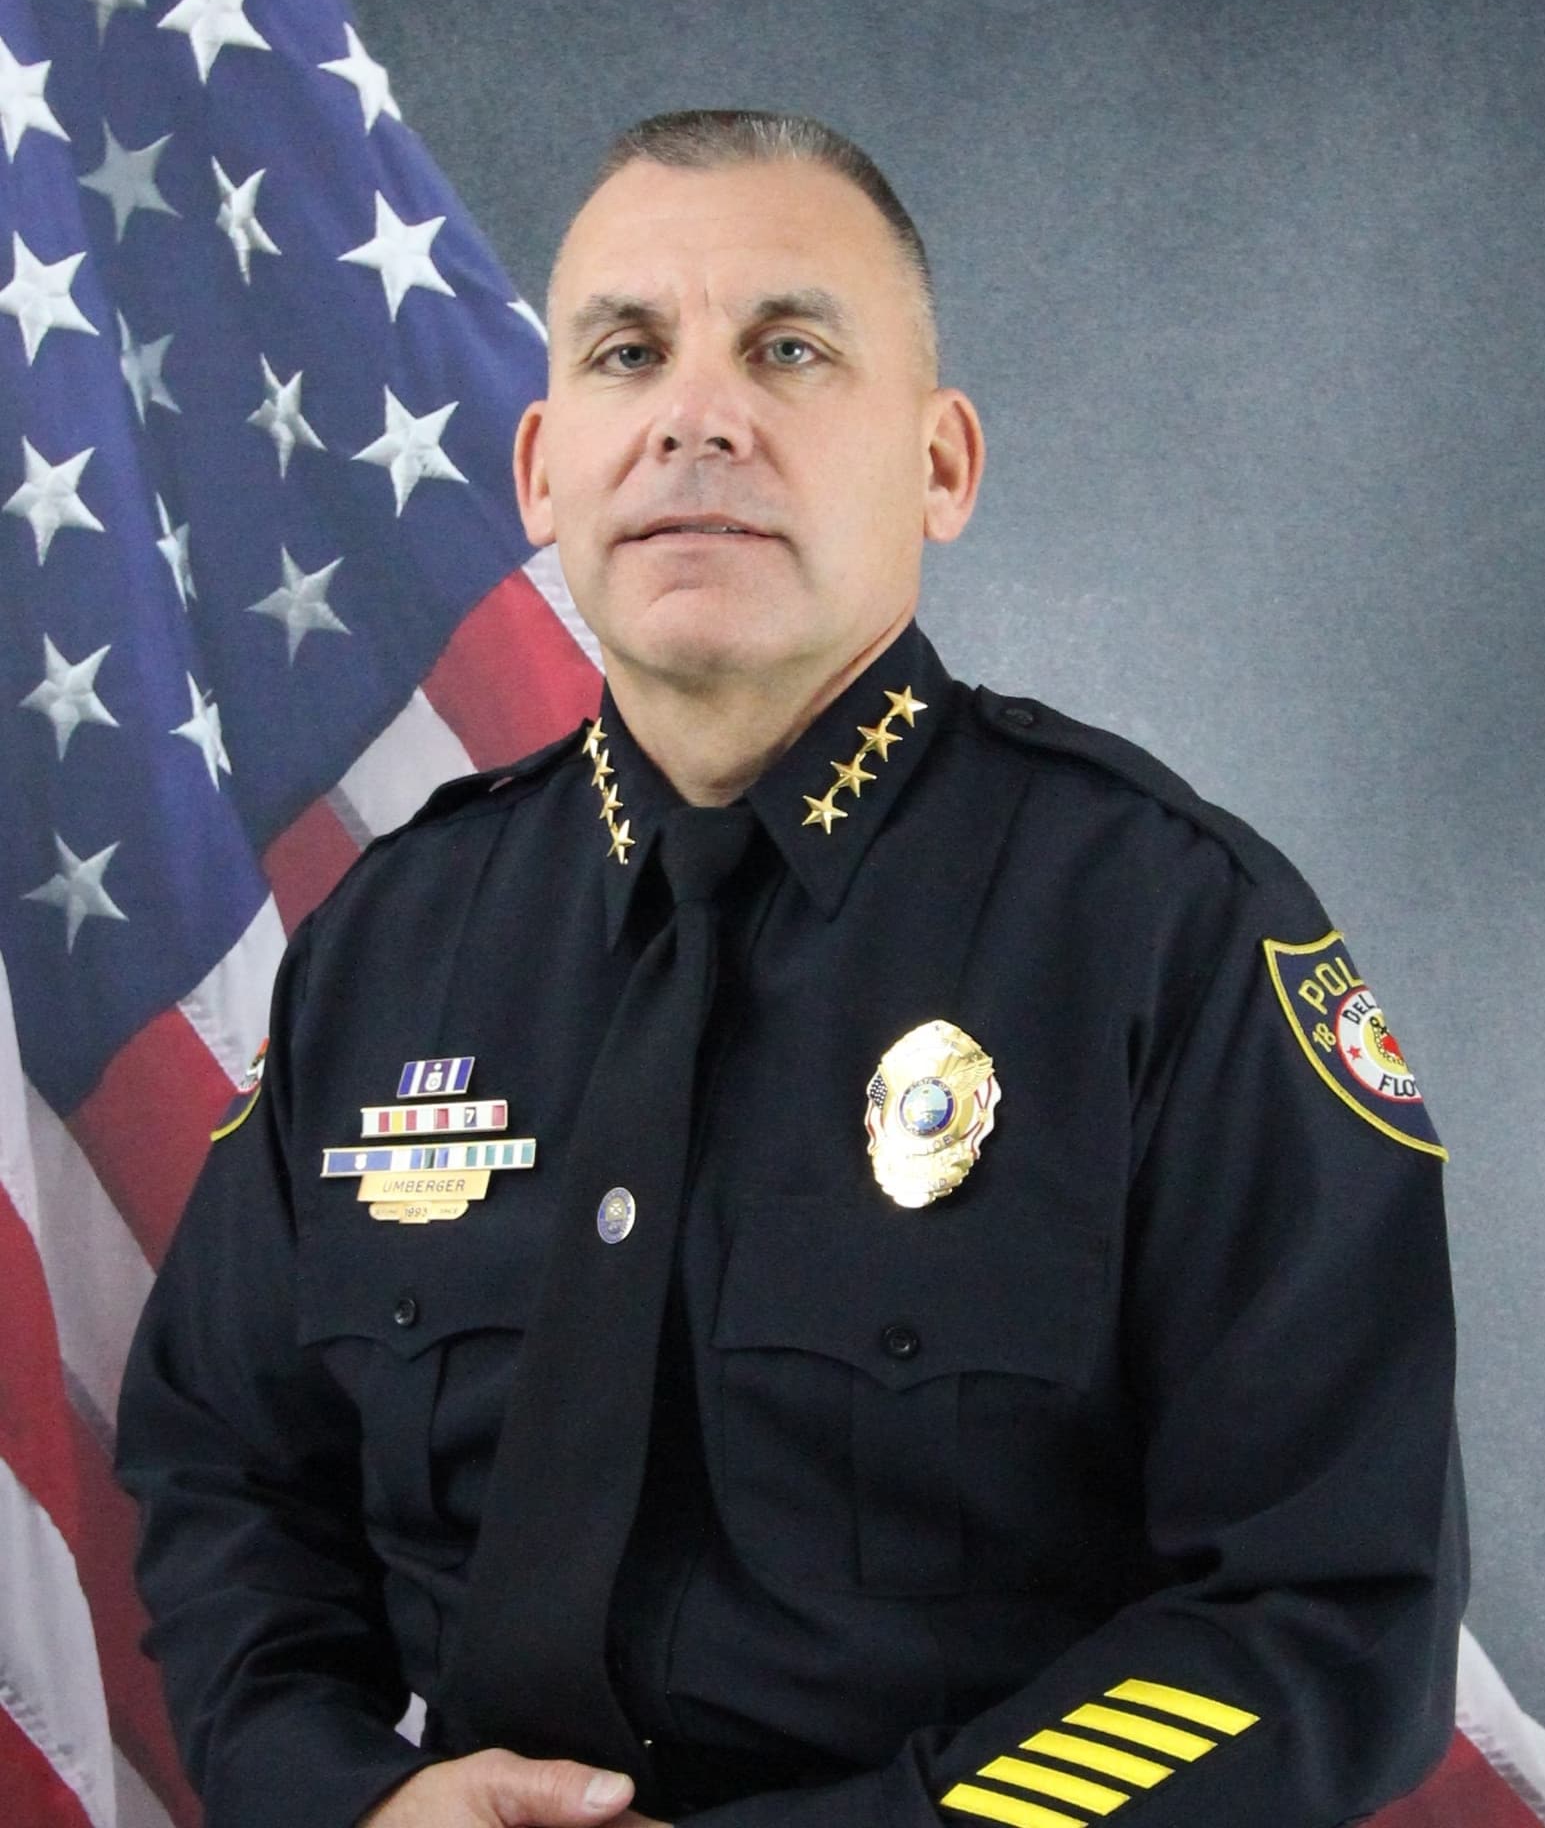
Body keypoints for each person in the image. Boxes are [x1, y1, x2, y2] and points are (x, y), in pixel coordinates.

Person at [116, 110, 1467, 1828]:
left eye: (791, 349)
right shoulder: (392, 947)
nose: (698, 414)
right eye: (628, 354)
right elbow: (221, 1470)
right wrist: (343, 1801)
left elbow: (1328, 1609)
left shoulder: (1167, 939)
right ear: (543, 466)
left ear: (941, 465)